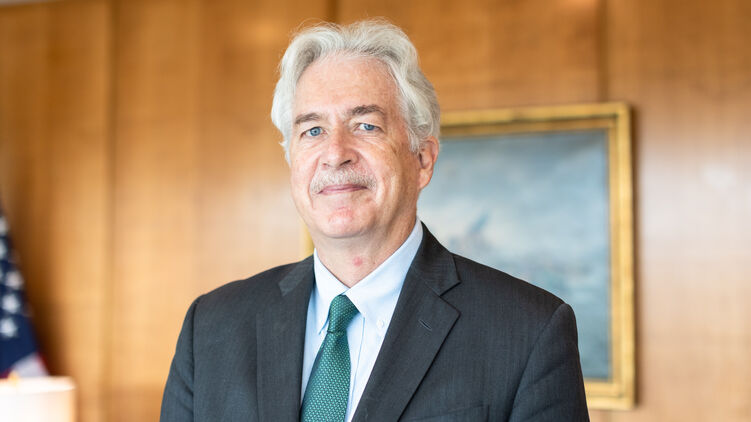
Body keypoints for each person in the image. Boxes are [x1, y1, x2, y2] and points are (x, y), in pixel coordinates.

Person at [161, 20, 589, 422]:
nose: (335, 153)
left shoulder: (529, 331)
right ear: (292, 161)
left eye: (366, 125)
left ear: (422, 159)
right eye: (312, 130)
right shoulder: (211, 327)